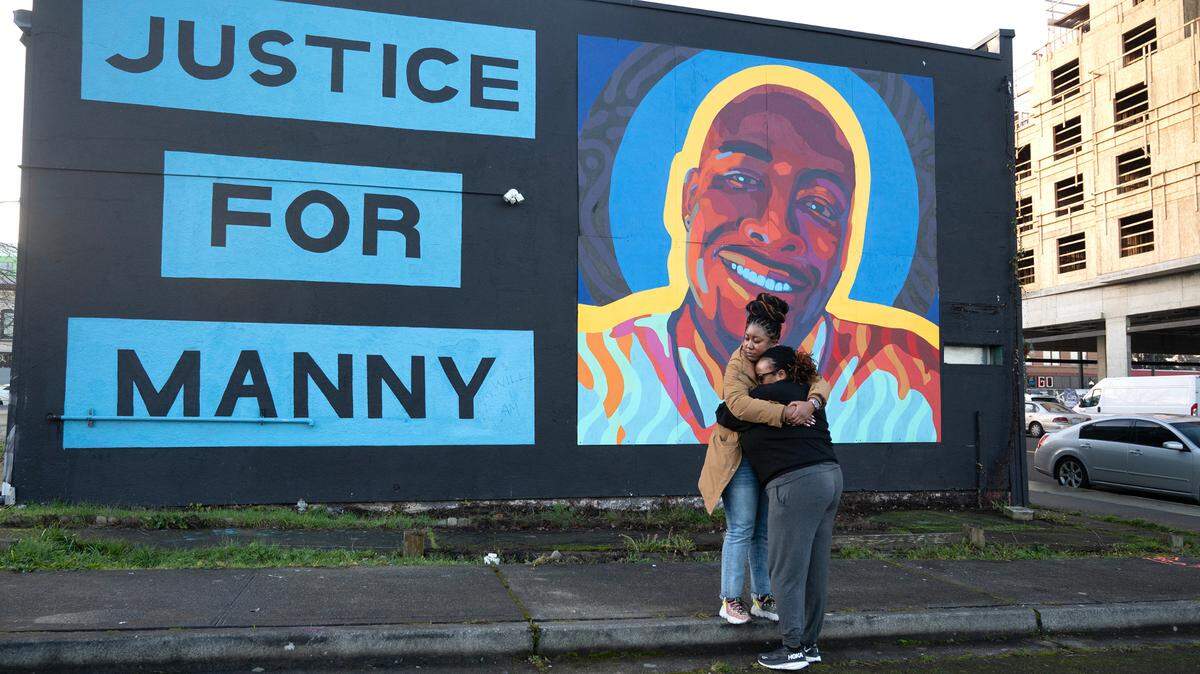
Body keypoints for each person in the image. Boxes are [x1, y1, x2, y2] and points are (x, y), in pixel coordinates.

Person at [579, 74, 939, 446]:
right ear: (689, 198)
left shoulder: (909, 381)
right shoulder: (593, 371)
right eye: (741, 180)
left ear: (847, 245)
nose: (775, 231)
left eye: (818, 205)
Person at [698, 294, 829, 625]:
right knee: (741, 526)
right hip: (738, 455)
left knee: (762, 530)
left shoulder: (784, 358)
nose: (748, 345)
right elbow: (738, 405)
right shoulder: (737, 364)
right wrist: (786, 412)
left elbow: (818, 382)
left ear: (773, 342)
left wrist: (811, 404)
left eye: (756, 340)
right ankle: (730, 599)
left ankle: (762, 597)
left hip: (767, 456)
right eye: (746, 337)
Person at [716, 344, 841, 670]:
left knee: (786, 571)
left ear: (781, 373)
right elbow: (819, 385)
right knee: (814, 570)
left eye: (763, 376)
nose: (758, 383)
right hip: (830, 477)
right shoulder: (807, 395)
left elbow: (725, 412)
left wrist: (755, 398)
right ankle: (810, 645)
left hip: (795, 484)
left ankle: (792, 649)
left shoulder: (764, 397)